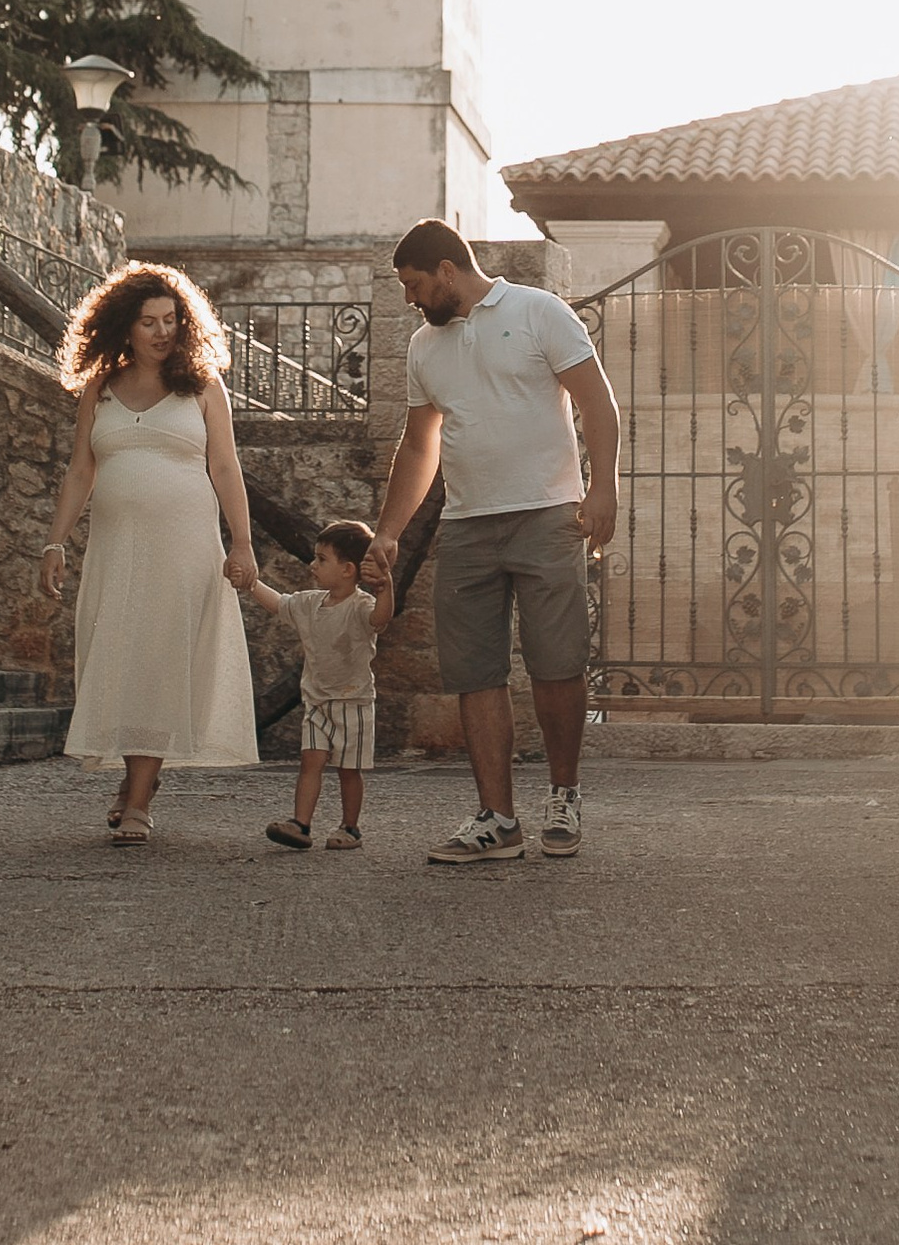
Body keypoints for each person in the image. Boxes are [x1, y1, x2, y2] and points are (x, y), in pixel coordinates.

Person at [365, 220, 620, 865]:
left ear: (448, 271)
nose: (410, 298)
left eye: (415, 284)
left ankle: (564, 797)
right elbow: (419, 444)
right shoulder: (424, 345)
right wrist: (389, 532)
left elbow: (597, 403)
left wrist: (604, 488)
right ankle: (497, 820)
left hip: (548, 515)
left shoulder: (539, 312)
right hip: (466, 526)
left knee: (556, 663)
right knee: (474, 671)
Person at [41, 262, 259, 843]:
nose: (163, 332)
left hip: (185, 549)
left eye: (171, 320)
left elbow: (225, 467)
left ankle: (138, 796)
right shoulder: (100, 388)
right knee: (120, 652)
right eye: (149, 322)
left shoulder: (204, 386)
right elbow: (81, 469)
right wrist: (55, 541)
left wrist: (241, 542)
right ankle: (136, 779)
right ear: (124, 327)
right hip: (116, 551)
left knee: (161, 658)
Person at [249, 520, 394, 851]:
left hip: (353, 703)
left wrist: (386, 588)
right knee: (310, 762)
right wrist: (251, 583)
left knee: (348, 770)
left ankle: (350, 827)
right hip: (316, 702)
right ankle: (300, 824)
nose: (312, 565)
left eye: (321, 559)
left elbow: (381, 619)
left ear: (347, 570)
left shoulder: (361, 607)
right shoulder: (309, 603)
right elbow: (278, 603)